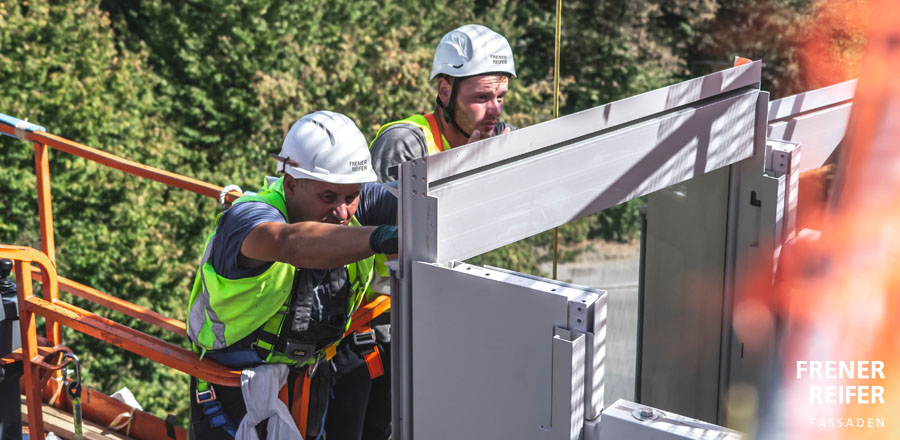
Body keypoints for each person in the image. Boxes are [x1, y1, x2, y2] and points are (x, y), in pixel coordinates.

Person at [326, 24, 516, 440]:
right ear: (445, 92)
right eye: (482, 98)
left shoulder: (490, 138)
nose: (496, 111)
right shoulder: (406, 143)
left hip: (431, 312)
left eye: (500, 97)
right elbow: (392, 228)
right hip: (375, 321)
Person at [186, 111, 398, 439]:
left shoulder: (355, 203)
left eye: (351, 196)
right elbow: (290, 244)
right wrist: (377, 238)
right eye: (328, 197)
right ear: (291, 184)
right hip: (230, 391)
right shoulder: (248, 217)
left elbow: (412, 201)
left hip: (306, 380)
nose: (342, 213)